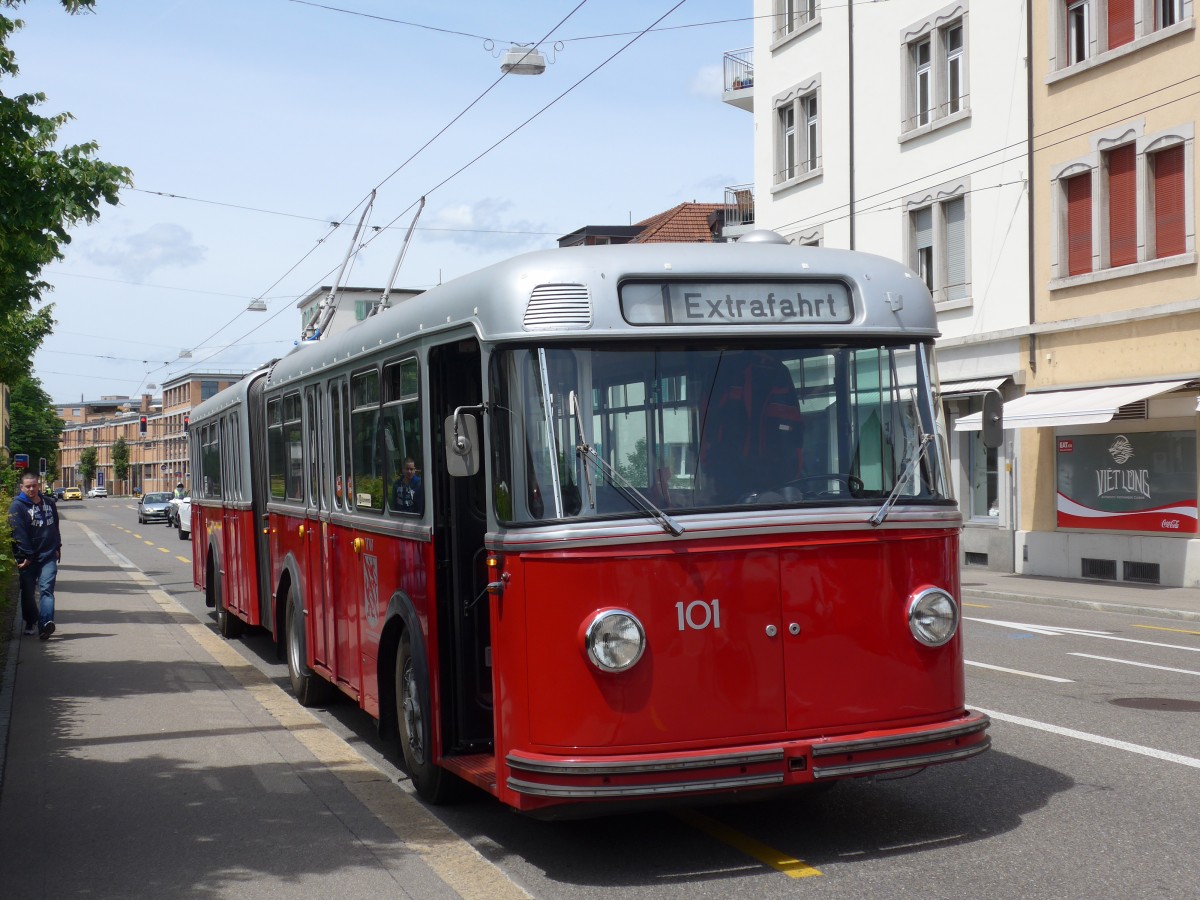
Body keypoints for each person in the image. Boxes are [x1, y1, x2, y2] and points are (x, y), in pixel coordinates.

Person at [8, 471, 62, 640]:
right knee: (28, 592)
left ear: (39, 485)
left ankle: (45, 625)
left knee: (47, 590)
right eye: (28, 486)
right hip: (27, 559)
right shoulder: (17, 506)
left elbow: (55, 527)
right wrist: (28, 556)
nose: (31, 489)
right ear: (22, 487)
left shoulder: (49, 503)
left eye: (34, 486)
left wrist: (57, 547)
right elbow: (19, 534)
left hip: (48, 555)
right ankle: (30, 621)